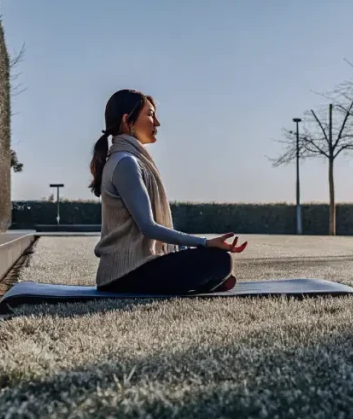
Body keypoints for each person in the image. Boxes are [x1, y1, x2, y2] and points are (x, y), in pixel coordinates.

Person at [90, 89, 247, 294]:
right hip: (126, 275)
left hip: (131, 271)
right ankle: (210, 280)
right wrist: (205, 243)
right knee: (220, 261)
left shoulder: (128, 160)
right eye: (150, 114)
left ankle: (209, 280)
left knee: (214, 261)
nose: (157, 122)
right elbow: (149, 227)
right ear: (127, 120)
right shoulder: (125, 163)